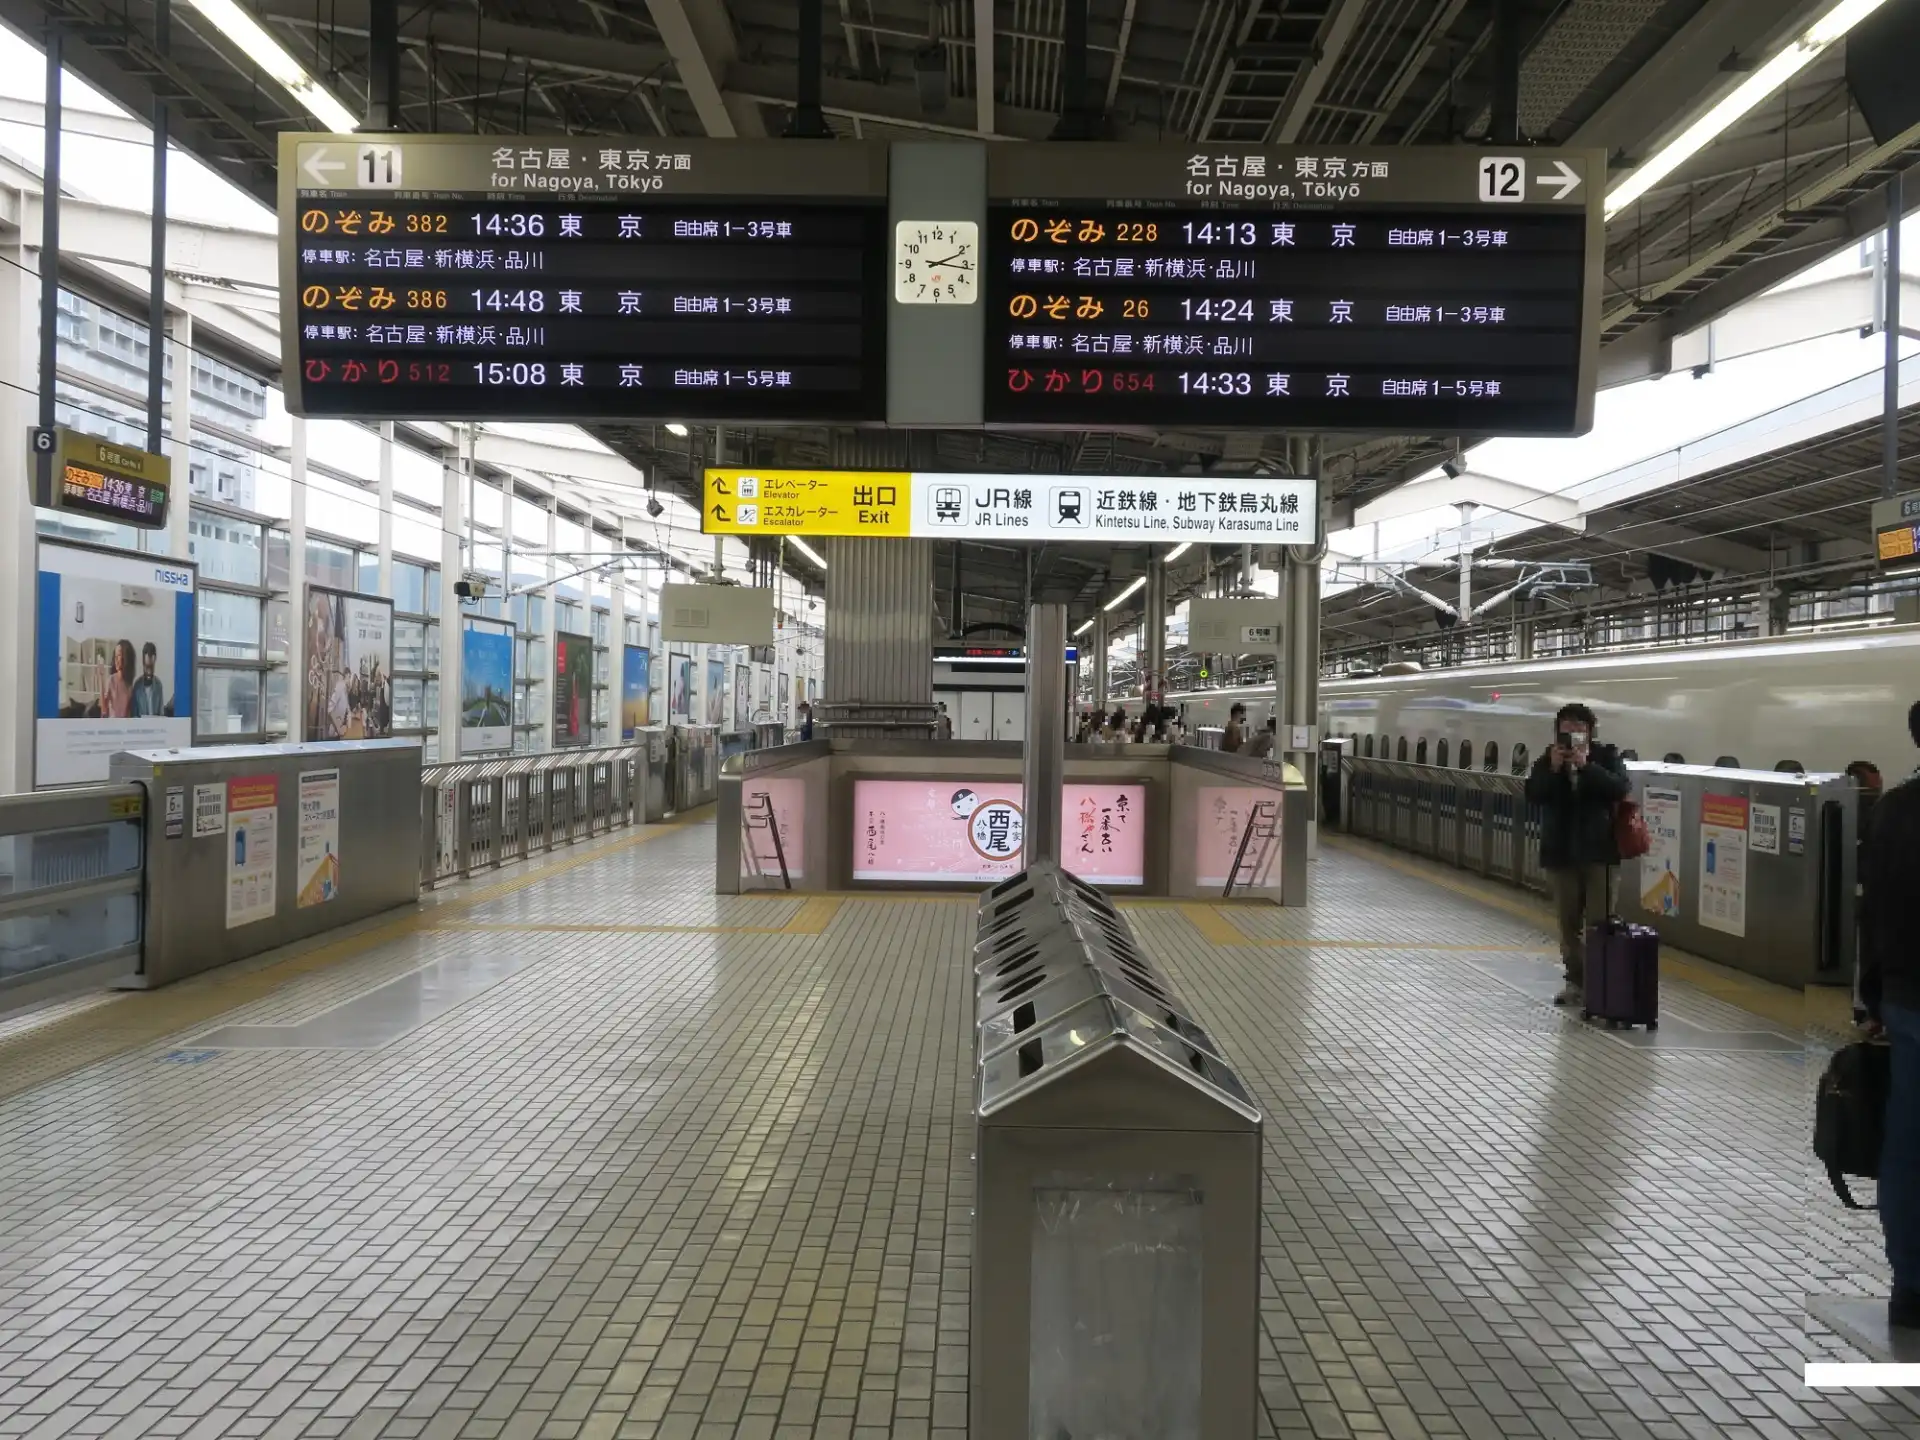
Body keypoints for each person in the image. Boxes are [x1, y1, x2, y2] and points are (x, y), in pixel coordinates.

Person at [1860, 701, 1920, 1330]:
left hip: (1906, 1001)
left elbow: (1870, 910)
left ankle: (1910, 1289)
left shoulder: (1893, 811)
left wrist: (1871, 998)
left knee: (1906, 1148)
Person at [1524, 703, 1631, 1007]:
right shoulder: (1547, 760)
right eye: (1566, 727)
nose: (1571, 733)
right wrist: (1555, 769)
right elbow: (1533, 795)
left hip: (1600, 854)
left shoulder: (1606, 756)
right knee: (1568, 923)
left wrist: (1587, 767)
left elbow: (1619, 788)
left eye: (1578, 727)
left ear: (1590, 731)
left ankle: (1599, 985)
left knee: (1600, 922)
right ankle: (1575, 982)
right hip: (1561, 854)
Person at [130, 642, 165, 717]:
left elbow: (161, 713)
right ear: (143, 663)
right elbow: (134, 715)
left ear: (154, 660)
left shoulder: (158, 685)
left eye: (151, 667)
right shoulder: (137, 686)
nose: (149, 671)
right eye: (147, 667)